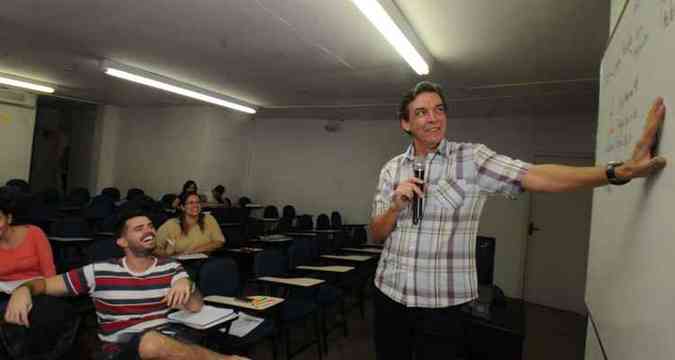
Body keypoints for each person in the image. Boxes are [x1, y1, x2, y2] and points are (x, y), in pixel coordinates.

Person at [369, 81, 667, 360]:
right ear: (406, 123)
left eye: (439, 109)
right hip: (389, 296)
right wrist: (395, 207)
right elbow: (377, 233)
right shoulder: (391, 169)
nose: (433, 118)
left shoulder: (471, 159)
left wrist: (617, 172)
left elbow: (536, 175)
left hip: (442, 307)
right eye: (421, 112)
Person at [3, 207, 247, 360]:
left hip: (173, 341)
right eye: (138, 229)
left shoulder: (171, 267)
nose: (149, 231)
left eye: (150, 226)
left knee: (162, 343)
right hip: (122, 349)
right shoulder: (98, 271)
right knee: (151, 342)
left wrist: (188, 284)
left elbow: (195, 307)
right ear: (122, 241)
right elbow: (44, 285)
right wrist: (23, 290)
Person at [155, 192, 226, 256]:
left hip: (205, 260)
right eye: (191, 203)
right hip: (179, 263)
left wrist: (194, 251)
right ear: (182, 207)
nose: (195, 205)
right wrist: (168, 256)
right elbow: (155, 248)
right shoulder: (171, 224)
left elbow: (219, 241)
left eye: (198, 202)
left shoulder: (209, 219)